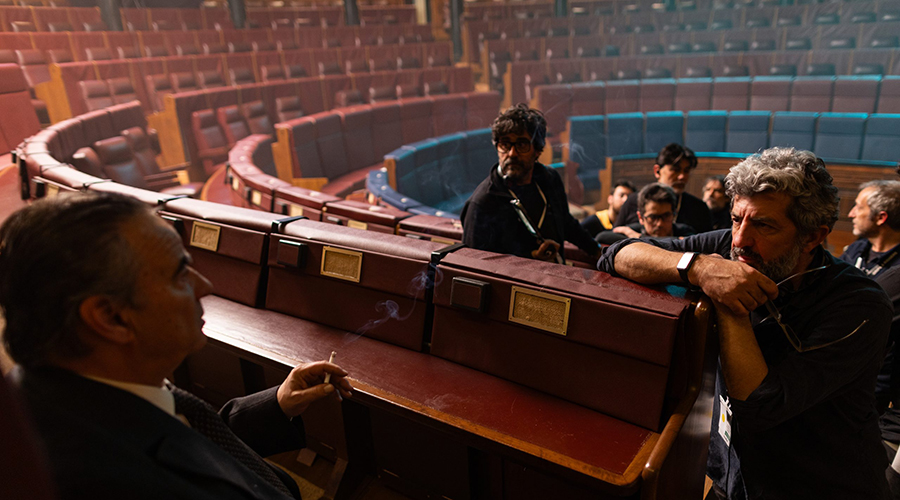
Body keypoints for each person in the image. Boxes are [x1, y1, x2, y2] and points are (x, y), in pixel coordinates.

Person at [0, 192, 354, 500]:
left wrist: (277, 405)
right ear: (111, 318)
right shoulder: (103, 481)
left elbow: (186, 445)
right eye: (180, 272)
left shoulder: (71, 395)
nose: (204, 285)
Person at [597, 148, 891, 500]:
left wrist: (727, 298)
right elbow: (616, 254)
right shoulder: (731, 246)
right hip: (733, 478)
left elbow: (760, 406)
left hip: (819, 485)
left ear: (812, 237)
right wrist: (698, 267)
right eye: (737, 219)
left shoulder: (859, 304)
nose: (739, 240)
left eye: (764, 225)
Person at [460, 103, 600, 263]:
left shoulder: (550, 179)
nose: (512, 153)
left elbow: (566, 223)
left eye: (521, 145)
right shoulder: (482, 203)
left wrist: (597, 251)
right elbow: (476, 266)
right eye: (505, 144)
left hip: (557, 273)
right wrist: (531, 257)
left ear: (538, 150)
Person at [840, 180, 900, 414]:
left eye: (858, 207)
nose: (851, 213)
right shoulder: (855, 250)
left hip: (878, 388)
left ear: (881, 217)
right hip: (842, 370)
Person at [614, 143, 714, 233]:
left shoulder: (699, 208)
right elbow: (614, 239)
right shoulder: (633, 201)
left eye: (686, 171)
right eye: (675, 170)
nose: (682, 176)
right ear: (657, 171)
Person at [597, 183, 695, 244]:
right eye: (653, 217)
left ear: (673, 214)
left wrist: (639, 238)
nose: (659, 223)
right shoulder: (633, 230)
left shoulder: (684, 230)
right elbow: (602, 237)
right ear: (640, 217)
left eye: (666, 216)